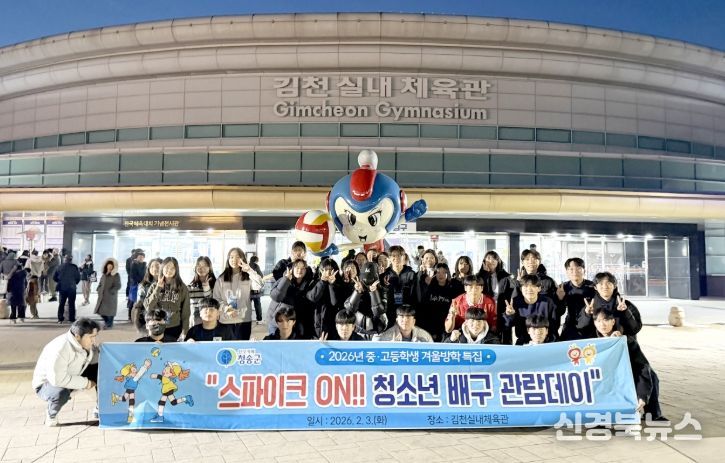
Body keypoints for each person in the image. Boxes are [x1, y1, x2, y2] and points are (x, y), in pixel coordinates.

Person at [591, 308, 666, 421]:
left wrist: (642, 396)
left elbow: (642, 367)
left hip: (625, 381)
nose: (602, 324)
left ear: (613, 321)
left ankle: (651, 413)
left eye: (606, 320)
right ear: (594, 323)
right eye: (598, 321)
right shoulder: (591, 344)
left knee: (651, 376)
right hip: (605, 383)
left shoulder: (626, 341)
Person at [32, 318, 100, 426]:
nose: (93, 341)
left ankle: (100, 407)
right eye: (91, 337)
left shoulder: (85, 344)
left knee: (101, 372)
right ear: (77, 336)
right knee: (60, 393)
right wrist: (86, 383)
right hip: (47, 384)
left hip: (73, 373)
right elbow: (57, 380)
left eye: (95, 336)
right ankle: (51, 414)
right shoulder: (60, 348)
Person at [213, 247, 263, 341]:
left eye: (237, 257)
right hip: (225, 320)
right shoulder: (221, 279)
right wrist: (226, 308)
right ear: (228, 259)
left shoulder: (248, 276)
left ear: (243, 259)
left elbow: (259, 284)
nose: (234, 260)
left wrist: (249, 270)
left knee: (242, 348)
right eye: (231, 257)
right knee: (227, 348)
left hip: (244, 320)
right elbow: (216, 299)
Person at [577, 271, 643, 338]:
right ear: (595, 287)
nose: (605, 286)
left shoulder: (626, 305)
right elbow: (581, 330)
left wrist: (625, 312)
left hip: (623, 342)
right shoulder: (589, 307)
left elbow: (635, 329)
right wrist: (587, 315)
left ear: (614, 286)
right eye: (601, 283)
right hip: (599, 343)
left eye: (608, 283)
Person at [503, 274, 560, 345]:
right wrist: (509, 315)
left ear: (539, 288)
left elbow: (554, 325)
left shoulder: (548, 302)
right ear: (521, 289)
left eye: (533, 286)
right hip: (524, 341)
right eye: (526, 286)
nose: (529, 289)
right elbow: (507, 325)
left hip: (545, 341)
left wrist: (549, 340)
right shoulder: (515, 303)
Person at [143, 257, 190, 340]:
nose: (169, 270)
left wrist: (185, 330)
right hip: (157, 325)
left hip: (174, 327)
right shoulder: (154, 286)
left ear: (176, 270)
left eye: (172, 268)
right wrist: (158, 288)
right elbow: (148, 307)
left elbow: (185, 311)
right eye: (167, 267)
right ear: (162, 268)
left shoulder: (182, 287)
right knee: (157, 347)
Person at [267, 259, 315, 337]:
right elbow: (276, 297)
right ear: (292, 269)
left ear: (306, 270)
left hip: (298, 324)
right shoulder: (283, 279)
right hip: (279, 322)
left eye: (303, 268)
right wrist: (286, 280)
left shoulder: (309, 283)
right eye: (297, 268)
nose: (300, 270)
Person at [415, 263, 462, 341]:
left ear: (448, 273)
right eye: (438, 272)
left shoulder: (453, 287)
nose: (441, 275)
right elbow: (423, 306)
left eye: (444, 272)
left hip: (446, 324)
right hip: (430, 323)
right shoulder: (430, 286)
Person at [344, 262, 388, 339]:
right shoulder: (356, 287)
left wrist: (374, 292)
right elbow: (349, 309)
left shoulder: (382, 290)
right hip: (358, 330)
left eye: (371, 278)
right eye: (365, 278)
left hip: (377, 332)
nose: (368, 281)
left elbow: (379, 311)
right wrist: (358, 292)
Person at [557, 258, 596, 340]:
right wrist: (560, 299)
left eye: (578, 268)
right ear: (567, 272)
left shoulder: (593, 287)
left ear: (584, 271)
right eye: (571, 269)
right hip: (571, 323)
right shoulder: (563, 287)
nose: (575, 272)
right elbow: (559, 311)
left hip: (590, 323)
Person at [307, 258, 343, 338]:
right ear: (321, 270)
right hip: (316, 325)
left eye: (331, 269)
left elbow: (335, 303)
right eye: (326, 269)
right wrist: (322, 281)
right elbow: (313, 297)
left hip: (334, 326)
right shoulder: (314, 282)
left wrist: (332, 285)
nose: (328, 272)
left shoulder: (340, 284)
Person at [381, 245, 417, 318]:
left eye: (399, 255)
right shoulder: (384, 275)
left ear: (404, 257)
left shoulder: (411, 274)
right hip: (389, 311)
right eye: (393, 256)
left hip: (406, 312)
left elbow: (415, 295)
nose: (396, 258)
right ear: (389, 258)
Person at [132, 258, 162, 332]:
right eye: (152, 266)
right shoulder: (143, 285)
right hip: (149, 317)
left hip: (164, 316)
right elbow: (140, 303)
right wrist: (137, 321)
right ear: (148, 269)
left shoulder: (168, 284)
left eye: (157, 266)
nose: (154, 269)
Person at [188, 256, 216, 327]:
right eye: (199, 266)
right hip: (195, 324)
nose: (201, 268)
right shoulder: (190, 287)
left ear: (210, 268)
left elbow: (212, 304)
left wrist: (206, 287)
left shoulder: (216, 285)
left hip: (211, 323)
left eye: (205, 266)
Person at [93, 258, 122, 329]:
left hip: (110, 296)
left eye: (111, 266)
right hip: (102, 296)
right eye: (108, 266)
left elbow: (118, 285)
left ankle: (109, 324)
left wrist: (112, 291)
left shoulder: (116, 275)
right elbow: (100, 283)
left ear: (113, 267)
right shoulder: (104, 274)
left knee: (110, 312)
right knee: (100, 311)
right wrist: (98, 289)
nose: (109, 268)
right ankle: (107, 323)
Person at [54, 255, 81, 324]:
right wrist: (74, 283)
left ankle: (60, 319)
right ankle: (71, 319)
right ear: (71, 260)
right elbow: (78, 278)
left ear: (64, 259)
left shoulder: (59, 267)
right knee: (71, 303)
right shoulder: (74, 267)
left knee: (61, 303)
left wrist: (60, 281)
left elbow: (54, 277)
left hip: (62, 288)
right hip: (72, 288)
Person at [127, 251, 146, 320]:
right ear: (137, 258)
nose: (141, 258)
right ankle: (130, 315)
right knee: (132, 299)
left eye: (142, 257)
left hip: (143, 284)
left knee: (141, 300)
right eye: (139, 257)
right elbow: (132, 275)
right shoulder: (134, 264)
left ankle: (139, 315)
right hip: (135, 284)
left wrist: (144, 282)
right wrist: (140, 281)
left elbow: (146, 274)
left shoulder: (145, 265)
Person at [248, 255, 264, 325]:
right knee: (257, 305)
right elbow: (261, 276)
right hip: (255, 290)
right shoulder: (256, 266)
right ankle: (259, 320)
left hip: (247, 289)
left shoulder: (247, 265)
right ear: (256, 260)